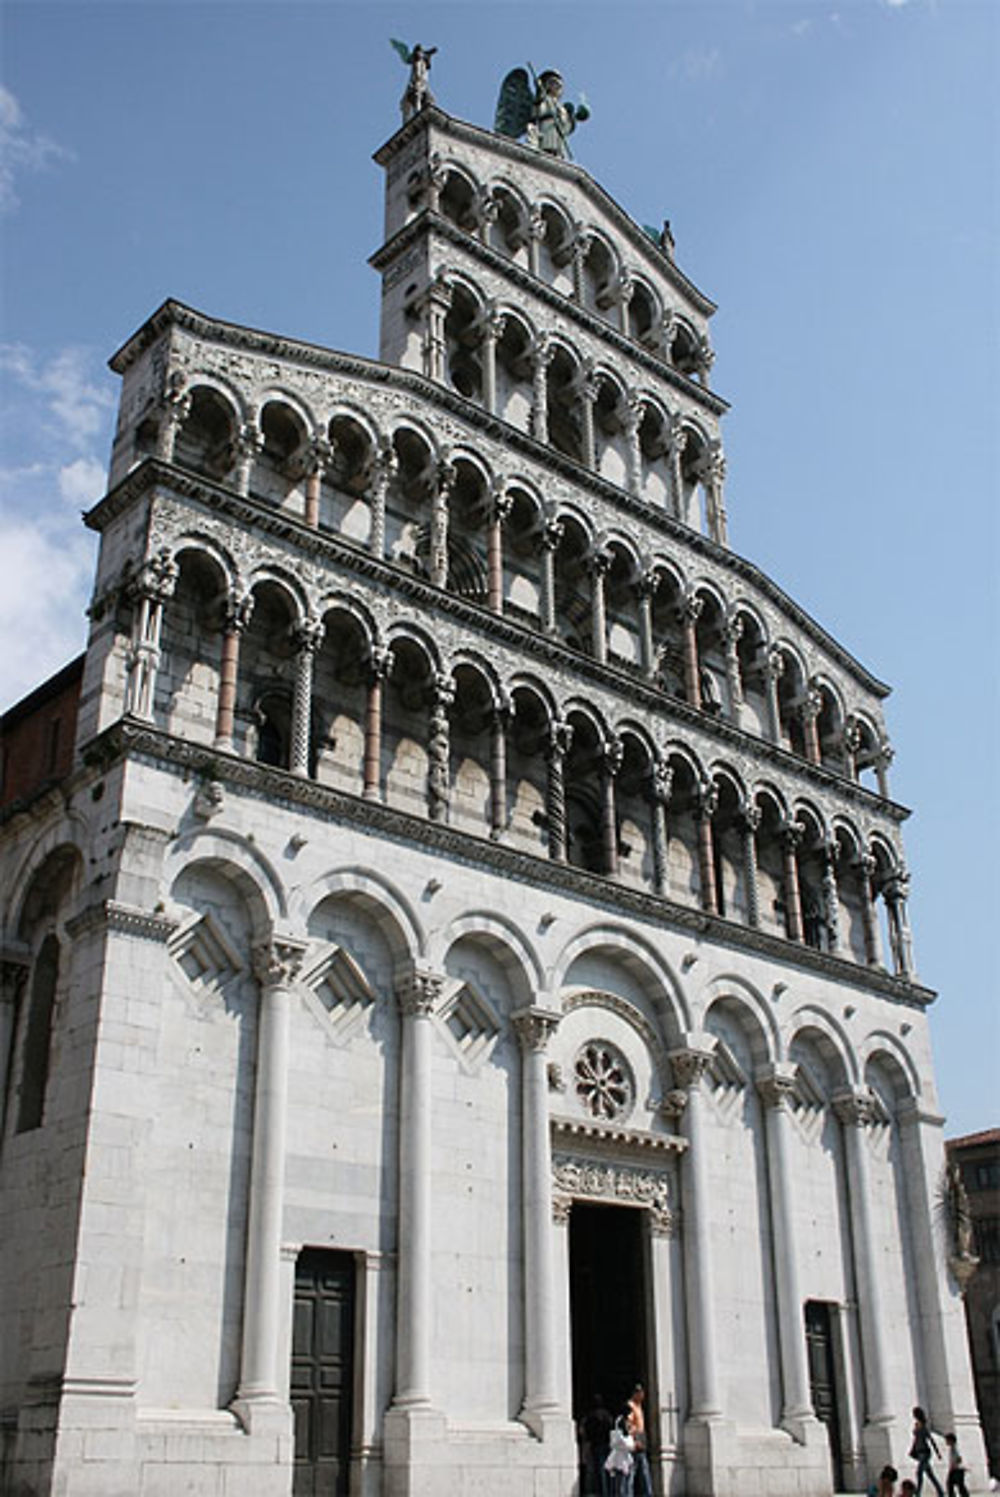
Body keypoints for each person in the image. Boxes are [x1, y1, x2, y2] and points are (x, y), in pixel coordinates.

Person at [581, 1393, 613, 1496]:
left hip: (595, 1444)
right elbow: (611, 1428)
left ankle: (597, 1491)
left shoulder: (590, 1416)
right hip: (606, 1444)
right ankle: (606, 1491)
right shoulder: (607, 1415)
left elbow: (585, 1430)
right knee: (605, 1469)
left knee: (595, 1469)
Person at [911, 1407, 944, 1496]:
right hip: (919, 1452)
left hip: (925, 1452)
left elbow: (931, 1440)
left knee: (919, 1473)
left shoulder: (923, 1427)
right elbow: (916, 1440)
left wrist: (938, 1453)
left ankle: (918, 1493)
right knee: (930, 1475)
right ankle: (940, 1491)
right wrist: (913, 1449)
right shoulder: (917, 1425)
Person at [627, 1383, 652, 1497]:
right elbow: (628, 1425)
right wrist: (634, 1440)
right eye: (640, 1392)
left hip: (641, 1439)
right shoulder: (630, 1406)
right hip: (635, 1441)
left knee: (643, 1471)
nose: (642, 1395)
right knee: (632, 1472)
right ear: (635, 1394)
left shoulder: (639, 1406)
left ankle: (647, 1493)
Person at [604, 1406, 634, 1497]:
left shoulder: (618, 1421)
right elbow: (625, 1441)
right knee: (623, 1484)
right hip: (622, 1459)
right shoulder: (622, 1422)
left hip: (621, 1458)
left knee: (621, 1484)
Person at [944, 1433, 970, 1497]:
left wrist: (954, 1465)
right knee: (956, 1485)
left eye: (947, 1440)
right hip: (956, 1469)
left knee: (954, 1485)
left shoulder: (955, 1448)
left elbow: (959, 1458)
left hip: (957, 1469)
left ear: (951, 1441)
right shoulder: (953, 1448)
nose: (946, 1442)